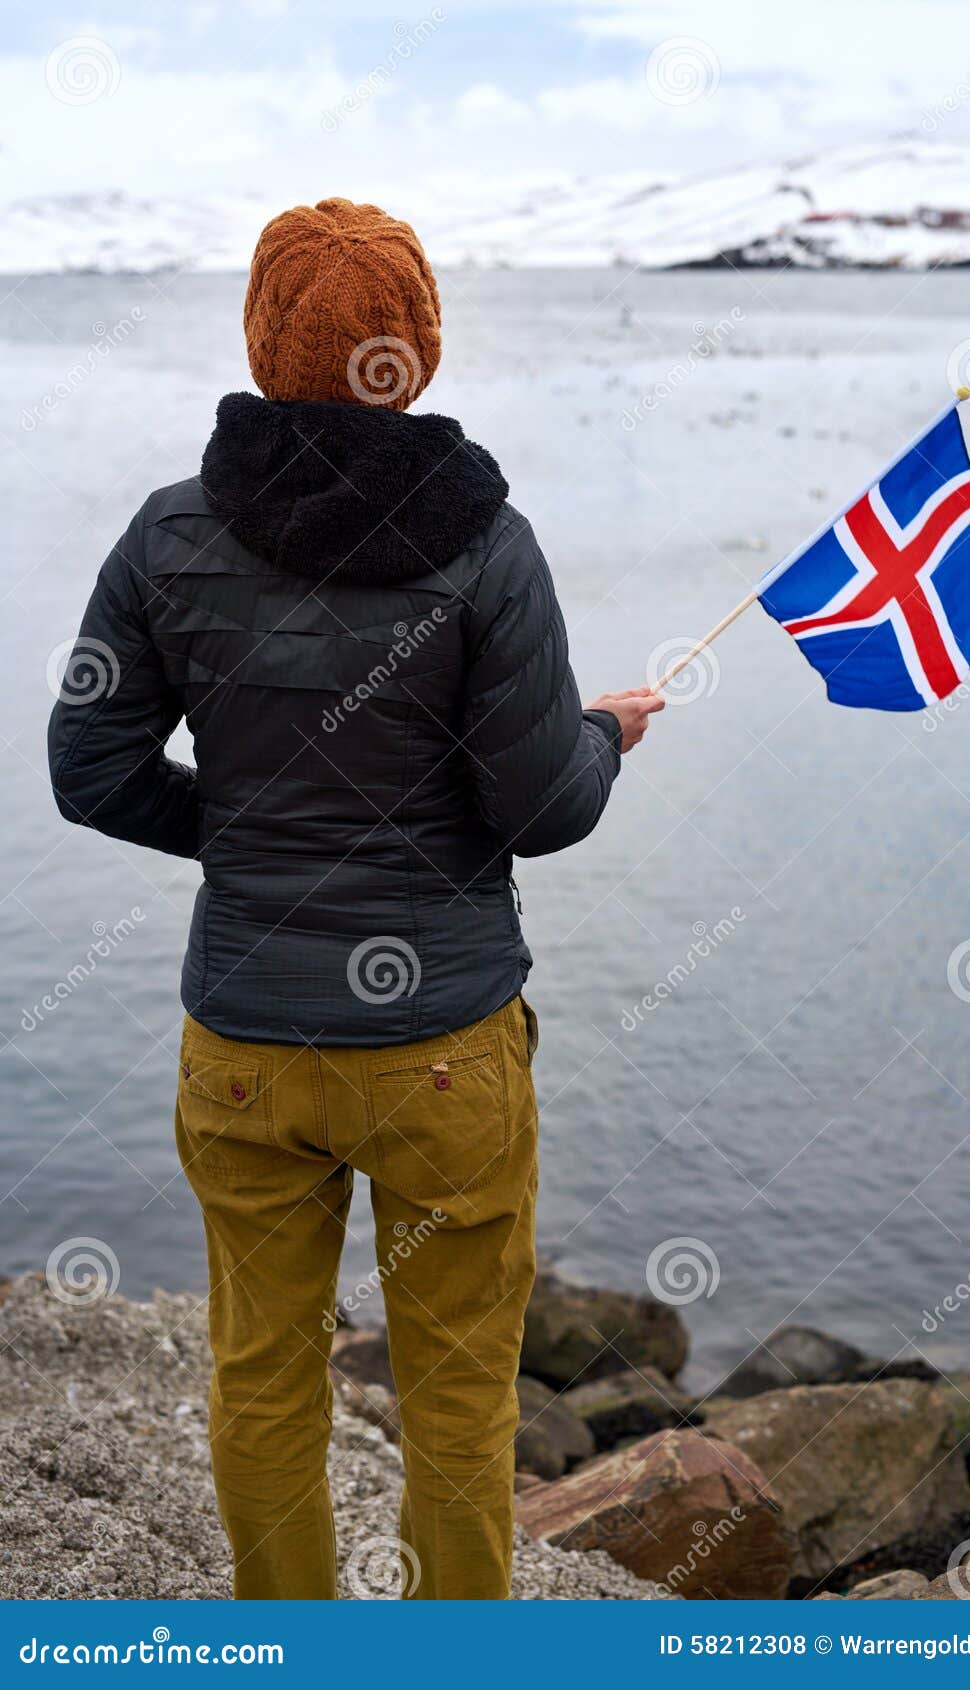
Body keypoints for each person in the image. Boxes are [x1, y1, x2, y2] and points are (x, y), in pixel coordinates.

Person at [47, 198, 664, 1601]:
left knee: (262, 1377)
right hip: (443, 1053)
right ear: (417, 347)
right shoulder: (489, 542)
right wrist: (604, 734)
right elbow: (544, 807)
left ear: (263, 338)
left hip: (249, 1050)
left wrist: (257, 837)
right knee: (456, 1393)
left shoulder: (167, 537)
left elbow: (89, 769)